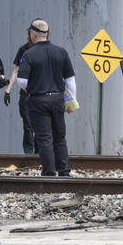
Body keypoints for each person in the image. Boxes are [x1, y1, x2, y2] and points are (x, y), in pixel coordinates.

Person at [16, 19, 77, 176]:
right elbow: (70, 80)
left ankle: (49, 172)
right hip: (57, 99)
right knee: (60, 137)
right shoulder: (61, 52)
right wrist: (71, 102)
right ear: (47, 34)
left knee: (44, 138)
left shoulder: (29, 54)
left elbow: (21, 81)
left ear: (33, 34)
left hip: (38, 99)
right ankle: (64, 170)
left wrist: (31, 89)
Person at [4, 28, 36, 154]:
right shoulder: (24, 49)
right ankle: (29, 154)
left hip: (41, 94)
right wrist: (8, 90)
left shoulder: (47, 50)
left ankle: (40, 154)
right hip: (26, 93)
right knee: (28, 125)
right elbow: (16, 70)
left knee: (41, 126)